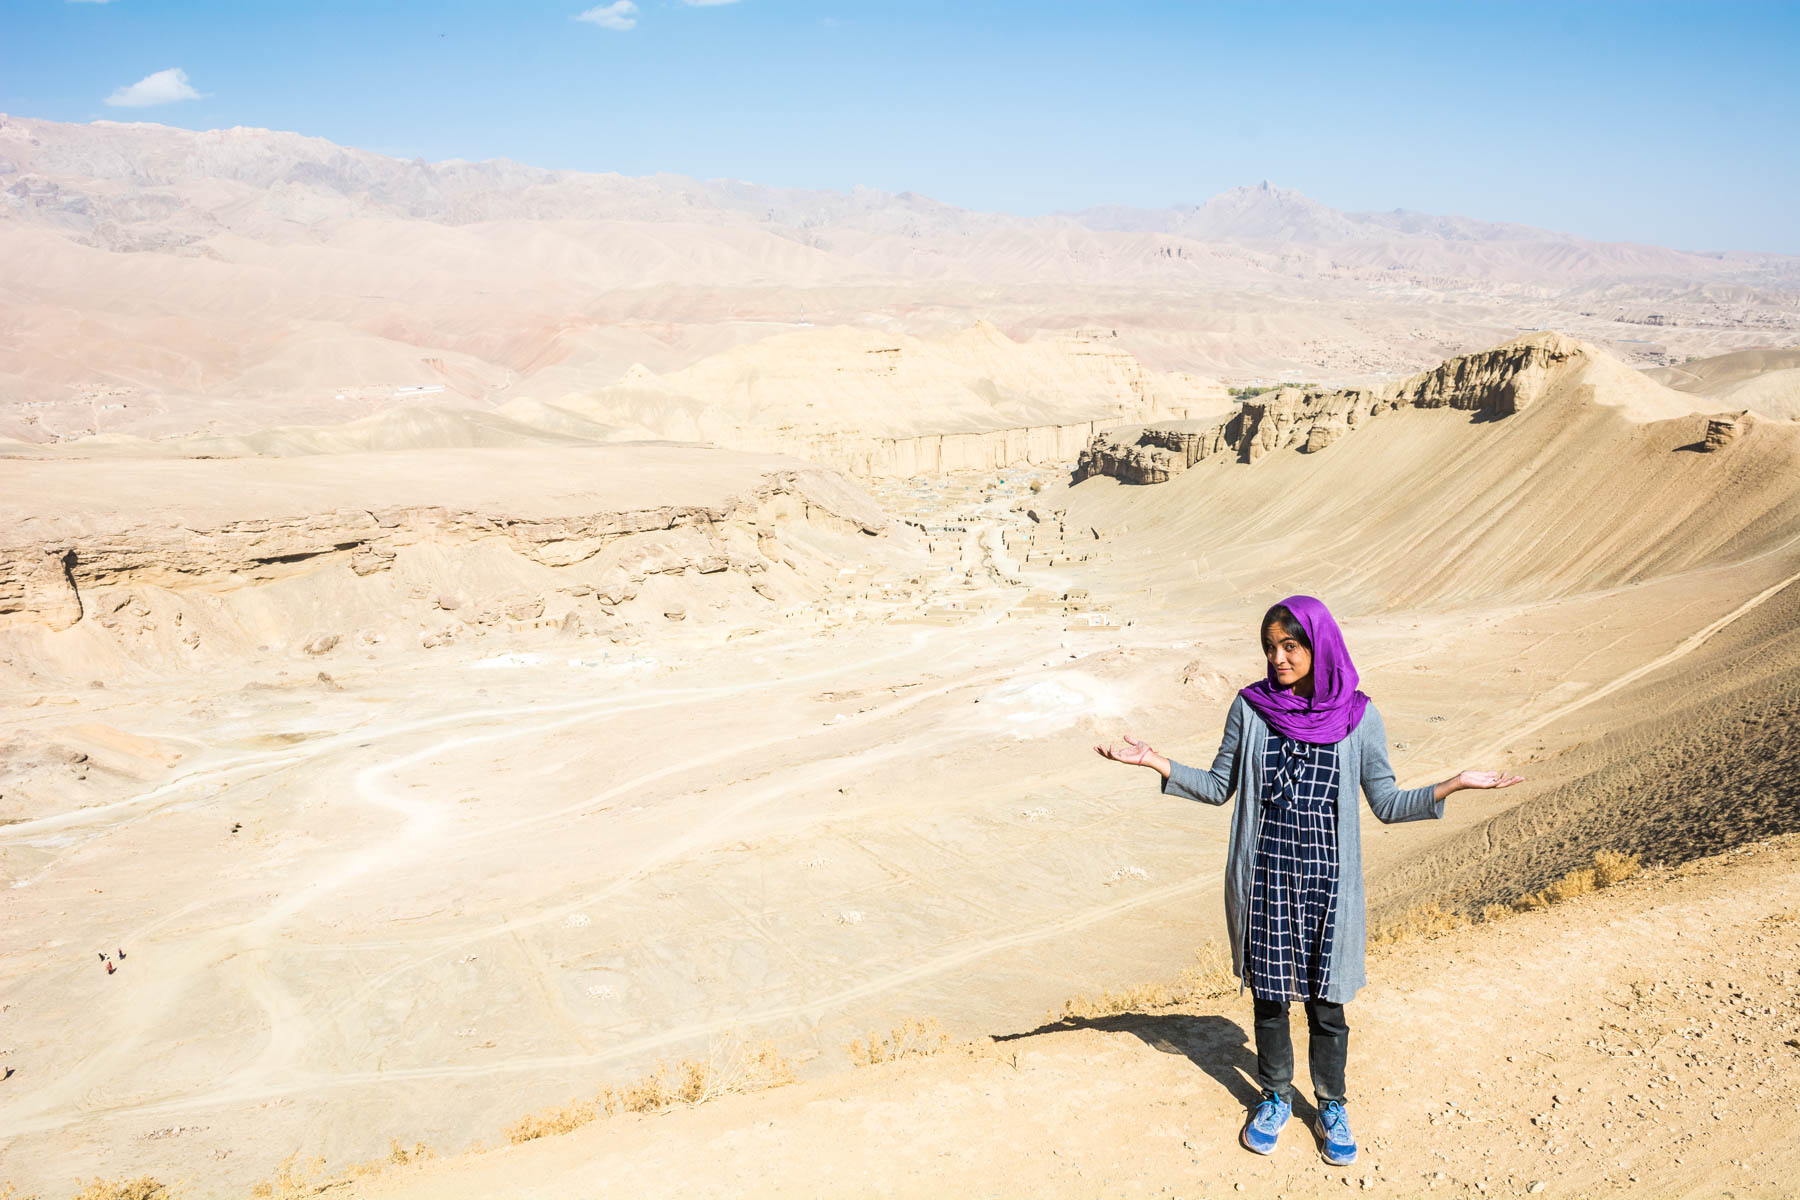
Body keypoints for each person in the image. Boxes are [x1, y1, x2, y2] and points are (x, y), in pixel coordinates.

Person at [1093, 594, 1522, 1165]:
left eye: (1290, 646)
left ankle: (1331, 1104)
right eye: (1270, 648)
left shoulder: (1359, 715)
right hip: (1267, 878)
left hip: (1328, 883)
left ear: (1318, 645)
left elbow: (1388, 803)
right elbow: (1221, 786)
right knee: (1270, 1000)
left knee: (1327, 1004)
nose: (1278, 659)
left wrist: (1455, 783)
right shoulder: (1250, 709)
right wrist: (1154, 761)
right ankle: (1273, 1095)